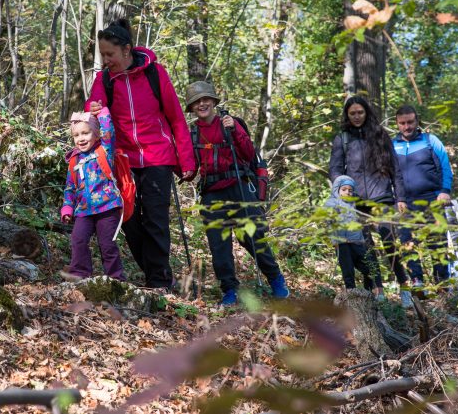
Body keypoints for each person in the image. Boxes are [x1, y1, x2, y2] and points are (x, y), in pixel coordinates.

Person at [86, 19, 196, 289]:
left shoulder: (155, 74)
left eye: (110, 54)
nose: (106, 60)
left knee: (156, 220)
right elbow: (93, 101)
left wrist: (187, 160)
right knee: (128, 218)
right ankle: (155, 273)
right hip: (124, 160)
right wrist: (93, 105)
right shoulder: (105, 79)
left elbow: (177, 118)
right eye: (103, 55)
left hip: (159, 156)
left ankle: (158, 282)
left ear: (126, 50)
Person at [185, 81, 289, 305]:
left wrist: (233, 130)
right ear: (191, 107)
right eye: (196, 102)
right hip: (211, 193)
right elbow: (191, 166)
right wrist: (182, 171)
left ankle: (275, 278)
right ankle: (229, 290)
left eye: (205, 99)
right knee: (218, 245)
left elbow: (249, 154)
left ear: (213, 101)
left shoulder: (230, 123)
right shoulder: (192, 132)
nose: (202, 104)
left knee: (251, 237)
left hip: (238, 187)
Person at [328, 95, 413, 308]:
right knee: (366, 246)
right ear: (347, 115)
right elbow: (335, 169)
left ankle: (404, 287)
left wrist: (400, 197)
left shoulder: (380, 135)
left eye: (360, 112)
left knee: (389, 241)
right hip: (355, 202)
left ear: (367, 112)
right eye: (352, 113)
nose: (357, 117)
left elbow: (395, 169)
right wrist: (340, 191)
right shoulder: (343, 139)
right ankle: (378, 290)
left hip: (383, 197)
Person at [392, 104, 453, 287]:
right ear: (397, 124)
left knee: (437, 244)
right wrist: (398, 198)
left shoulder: (430, 140)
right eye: (402, 123)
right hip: (405, 203)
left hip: (432, 199)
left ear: (417, 121)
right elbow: (390, 174)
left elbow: (445, 167)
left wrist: (445, 191)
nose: (407, 126)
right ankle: (417, 283)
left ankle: (443, 285)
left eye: (410, 122)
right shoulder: (392, 145)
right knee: (407, 243)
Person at [60, 109, 125, 280]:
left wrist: (103, 113)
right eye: (76, 135)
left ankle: (116, 278)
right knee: (78, 239)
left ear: (96, 134)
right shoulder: (74, 160)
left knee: (107, 245)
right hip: (83, 210)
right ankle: (79, 275)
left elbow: (109, 132)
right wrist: (67, 207)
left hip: (107, 206)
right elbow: (70, 187)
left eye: (86, 133)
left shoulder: (104, 151)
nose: (81, 138)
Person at [325, 175, 384, 298]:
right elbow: (328, 223)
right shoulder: (331, 203)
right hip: (342, 243)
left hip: (357, 242)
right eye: (344, 189)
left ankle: (368, 295)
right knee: (348, 272)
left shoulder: (354, 203)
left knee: (368, 270)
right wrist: (335, 240)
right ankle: (351, 297)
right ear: (337, 189)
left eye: (350, 190)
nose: (348, 192)